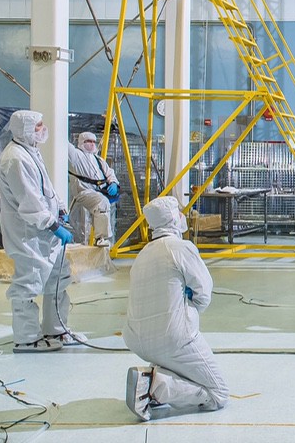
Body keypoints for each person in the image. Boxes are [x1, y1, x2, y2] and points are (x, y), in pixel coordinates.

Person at [124, 196, 229, 421]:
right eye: (179, 212)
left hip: (137, 341)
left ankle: (151, 380)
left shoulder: (142, 254)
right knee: (218, 394)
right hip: (173, 338)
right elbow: (204, 293)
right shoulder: (180, 248)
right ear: (173, 218)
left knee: (173, 360)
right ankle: (156, 386)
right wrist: (190, 306)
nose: (183, 216)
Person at [0, 110, 78, 352]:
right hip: (28, 234)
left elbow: (45, 189)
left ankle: (56, 329)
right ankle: (27, 338)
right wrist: (53, 225)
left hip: (44, 231)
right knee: (28, 284)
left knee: (58, 278)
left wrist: (60, 209)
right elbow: (29, 202)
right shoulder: (15, 159)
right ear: (25, 129)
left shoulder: (30, 151)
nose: (43, 130)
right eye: (39, 126)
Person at [68, 131, 119, 246]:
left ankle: (103, 240)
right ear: (81, 142)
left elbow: (109, 173)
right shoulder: (75, 156)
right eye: (88, 141)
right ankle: (101, 238)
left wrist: (113, 183)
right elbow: (63, 143)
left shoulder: (98, 159)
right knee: (101, 204)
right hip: (84, 192)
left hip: (100, 192)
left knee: (105, 210)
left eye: (93, 142)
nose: (91, 144)